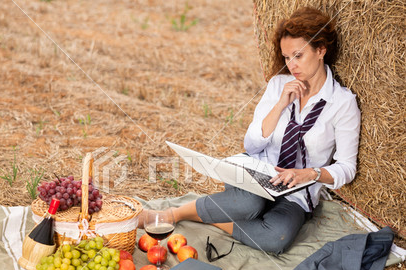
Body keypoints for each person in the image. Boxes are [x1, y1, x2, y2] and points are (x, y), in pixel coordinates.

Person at [142, 7, 361, 254]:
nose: (291, 65)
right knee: (249, 203)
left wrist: (309, 174)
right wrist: (280, 105)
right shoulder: (279, 85)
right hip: (256, 172)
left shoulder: (342, 103)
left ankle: (212, 216)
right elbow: (252, 146)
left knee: (275, 239)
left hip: (296, 192)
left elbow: (346, 168)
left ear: (320, 50)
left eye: (298, 56)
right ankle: (174, 213)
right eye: (286, 57)